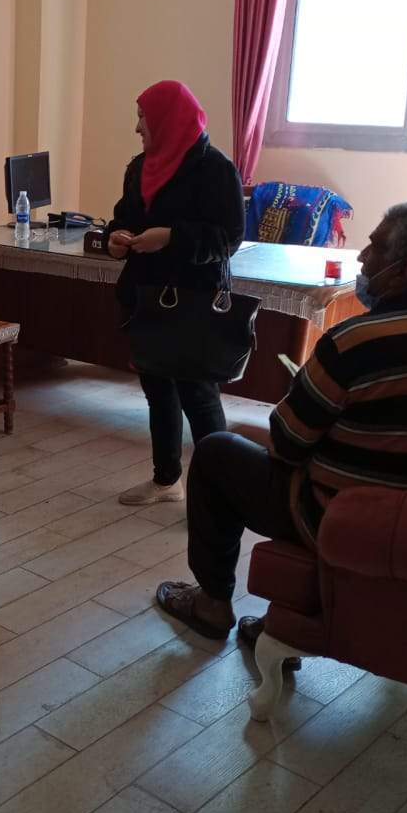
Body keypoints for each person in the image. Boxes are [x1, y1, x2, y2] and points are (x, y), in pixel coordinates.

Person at [155, 202, 407, 653]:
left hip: (340, 517)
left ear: (404, 271)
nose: (363, 257)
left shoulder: (355, 342)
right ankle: (293, 619)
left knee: (215, 452)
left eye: (376, 247)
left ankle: (211, 603)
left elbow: (287, 442)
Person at [107, 80, 245, 506]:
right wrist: (117, 237)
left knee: (198, 399)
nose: (137, 128)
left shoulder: (215, 169)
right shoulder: (140, 167)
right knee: (158, 391)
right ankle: (166, 480)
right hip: (147, 297)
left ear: (168, 120)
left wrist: (171, 237)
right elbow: (123, 218)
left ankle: (221, 497)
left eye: (143, 118)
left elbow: (229, 238)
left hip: (194, 301)